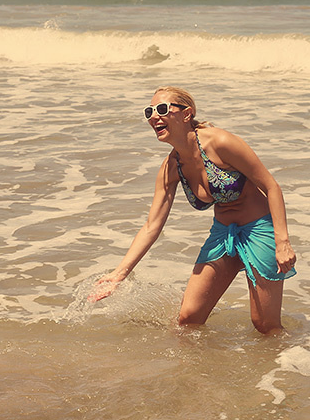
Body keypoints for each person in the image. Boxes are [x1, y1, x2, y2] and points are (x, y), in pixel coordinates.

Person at [94, 86, 296, 334]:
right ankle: (197, 370)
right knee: (188, 319)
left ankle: (290, 363)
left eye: (162, 109)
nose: (153, 116)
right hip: (223, 235)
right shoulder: (171, 167)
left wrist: (282, 241)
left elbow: (271, 186)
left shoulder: (220, 142)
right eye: (149, 111)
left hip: (259, 228)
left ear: (186, 114)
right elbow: (151, 226)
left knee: (264, 325)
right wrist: (119, 274)